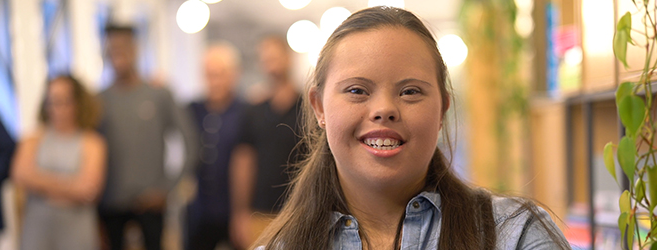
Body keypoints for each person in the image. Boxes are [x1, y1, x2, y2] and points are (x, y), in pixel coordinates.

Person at [254, 7, 571, 250]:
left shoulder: (513, 234)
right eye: (357, 91)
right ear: (319, 107)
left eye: (410, 92)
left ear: (443, 109)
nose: (384, 110)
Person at [97, 24, 198, 250]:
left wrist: (168, 188)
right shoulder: (98, 101)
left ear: (135, 49)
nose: (117, 52)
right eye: (111, 48)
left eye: (122, 46)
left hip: (152, 202)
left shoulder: (159, 94)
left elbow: (190, 143)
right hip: (110, 204)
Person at [11, 75, 106, 250]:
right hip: (37, 230)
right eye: (53, 101)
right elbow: (21, 175)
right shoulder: (32, 139)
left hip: (77, 231)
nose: (58, 109)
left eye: (64, 101)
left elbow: (88, 190)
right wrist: (70, 185)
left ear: (78, 103)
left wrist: (41, 185)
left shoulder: (92, 143)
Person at [229, 36, 303, 249]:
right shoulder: (253, 111)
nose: (271, 64)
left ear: (288, 58)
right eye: (265, 59)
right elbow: (243, 162)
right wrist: (240, 212)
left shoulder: (308, 108)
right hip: (259, 214)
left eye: (275, 57)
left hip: (300, 212)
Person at [184, 41, 247, 250]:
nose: (215, 81)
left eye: (220, 74)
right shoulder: (191, 110)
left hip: (236, 209)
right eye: (209, 74)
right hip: (198, 209)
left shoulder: (247, 111)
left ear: (234, 74)